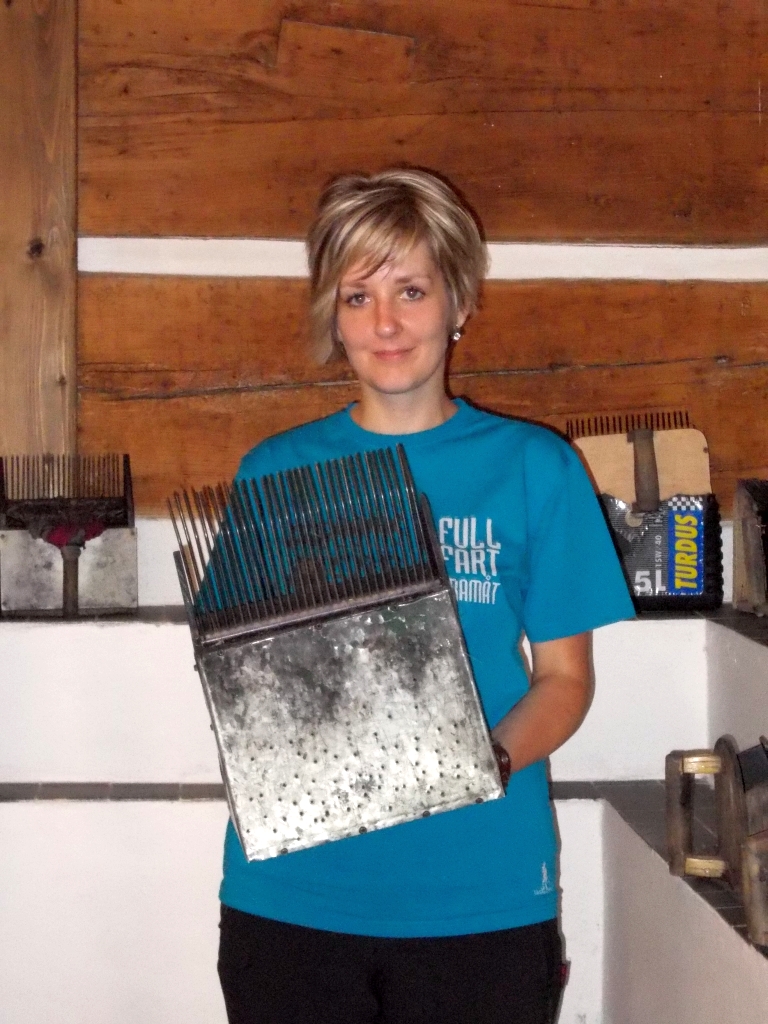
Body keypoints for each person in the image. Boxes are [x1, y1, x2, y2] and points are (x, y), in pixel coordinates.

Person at [216, 168, 635, 1024]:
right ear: (333, 316)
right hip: (293, 896)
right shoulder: (275, 473)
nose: (386, 323)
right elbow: (243, 684)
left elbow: (565, 679)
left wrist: (483, 764)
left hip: (478, 893)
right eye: (358, 296)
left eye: (410, 290)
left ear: (459, 303)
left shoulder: (535, 466)